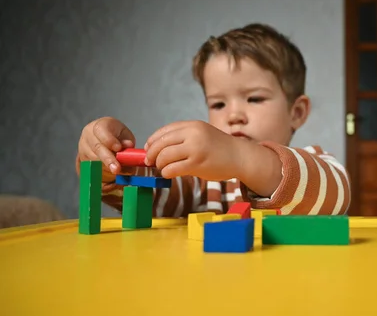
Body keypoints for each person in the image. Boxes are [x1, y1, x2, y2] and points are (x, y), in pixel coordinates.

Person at [75, 23, 351, 217]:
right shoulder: (202, 183)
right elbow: (151, 199)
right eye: (218, 104)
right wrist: (111, 166)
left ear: (297, 113)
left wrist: (240, 157)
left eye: (254, 98)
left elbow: (336, 197)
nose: (233, 116)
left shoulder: (316, 163)